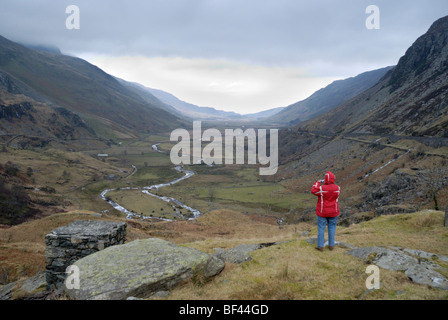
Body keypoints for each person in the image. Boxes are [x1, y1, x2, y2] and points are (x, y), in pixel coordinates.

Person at [311, 171, 341, 251]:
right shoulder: (338, 188)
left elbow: (313, 190)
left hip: (322, 212)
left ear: (326, 179)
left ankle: (320, 246)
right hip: (333, 211)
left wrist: (318, 182)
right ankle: (331, 245)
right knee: (332, 228)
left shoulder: (322, 188)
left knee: (321, 228)